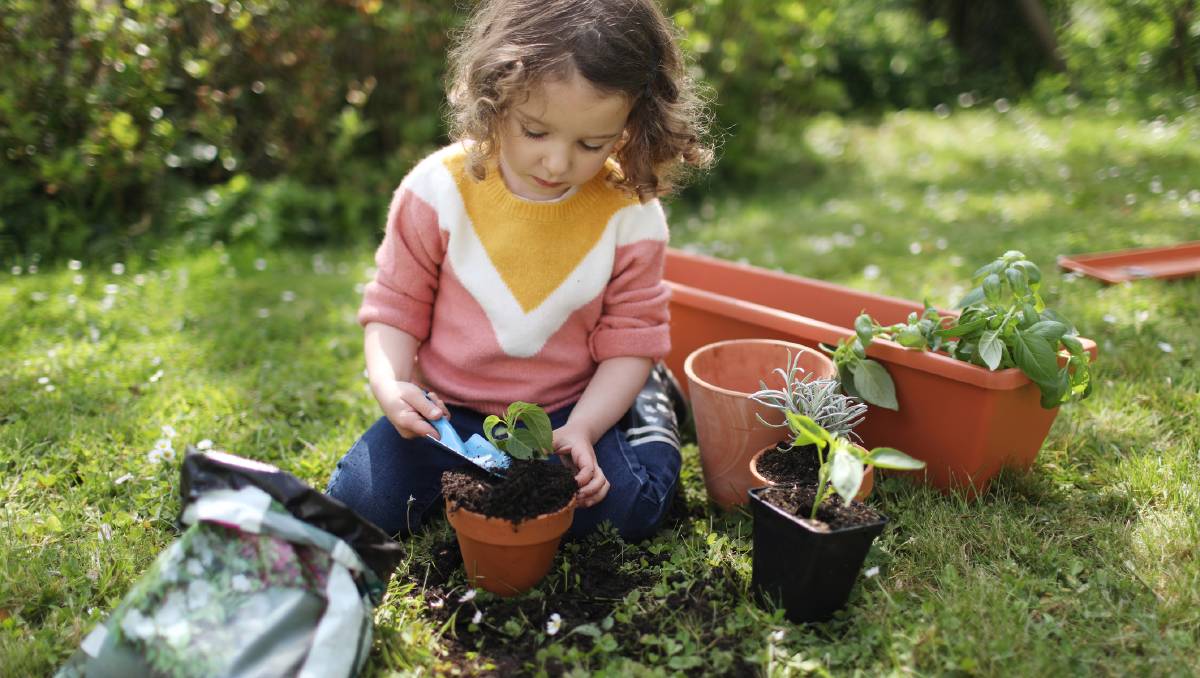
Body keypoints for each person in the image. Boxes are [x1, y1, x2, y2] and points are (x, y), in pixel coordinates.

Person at [326, 0, 711, 541]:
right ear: (494, 101)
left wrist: (584, 428)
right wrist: (391, 384)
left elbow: (628, 339)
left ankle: (647, 398)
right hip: (447, 416)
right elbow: (395, 307)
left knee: (627, 512)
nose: (557, 163)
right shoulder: (438, 190)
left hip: (569, 410)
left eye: (591, 144)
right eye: (535, 132)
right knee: (359, 507)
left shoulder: (630, 213)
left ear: (633, 124)